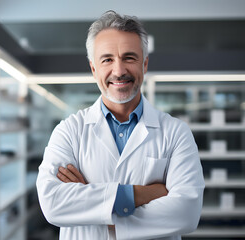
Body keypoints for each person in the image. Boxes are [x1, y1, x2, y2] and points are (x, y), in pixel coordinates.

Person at [36, 10, 205, 240]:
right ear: (93, 68)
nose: (119, 71)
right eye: (107, 59)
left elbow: (186, 212)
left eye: (129, 57)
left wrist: (98, 209)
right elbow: (53, 203)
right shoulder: (69, 131)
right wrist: (141, 194)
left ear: (144, 64)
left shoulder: (176, 133)